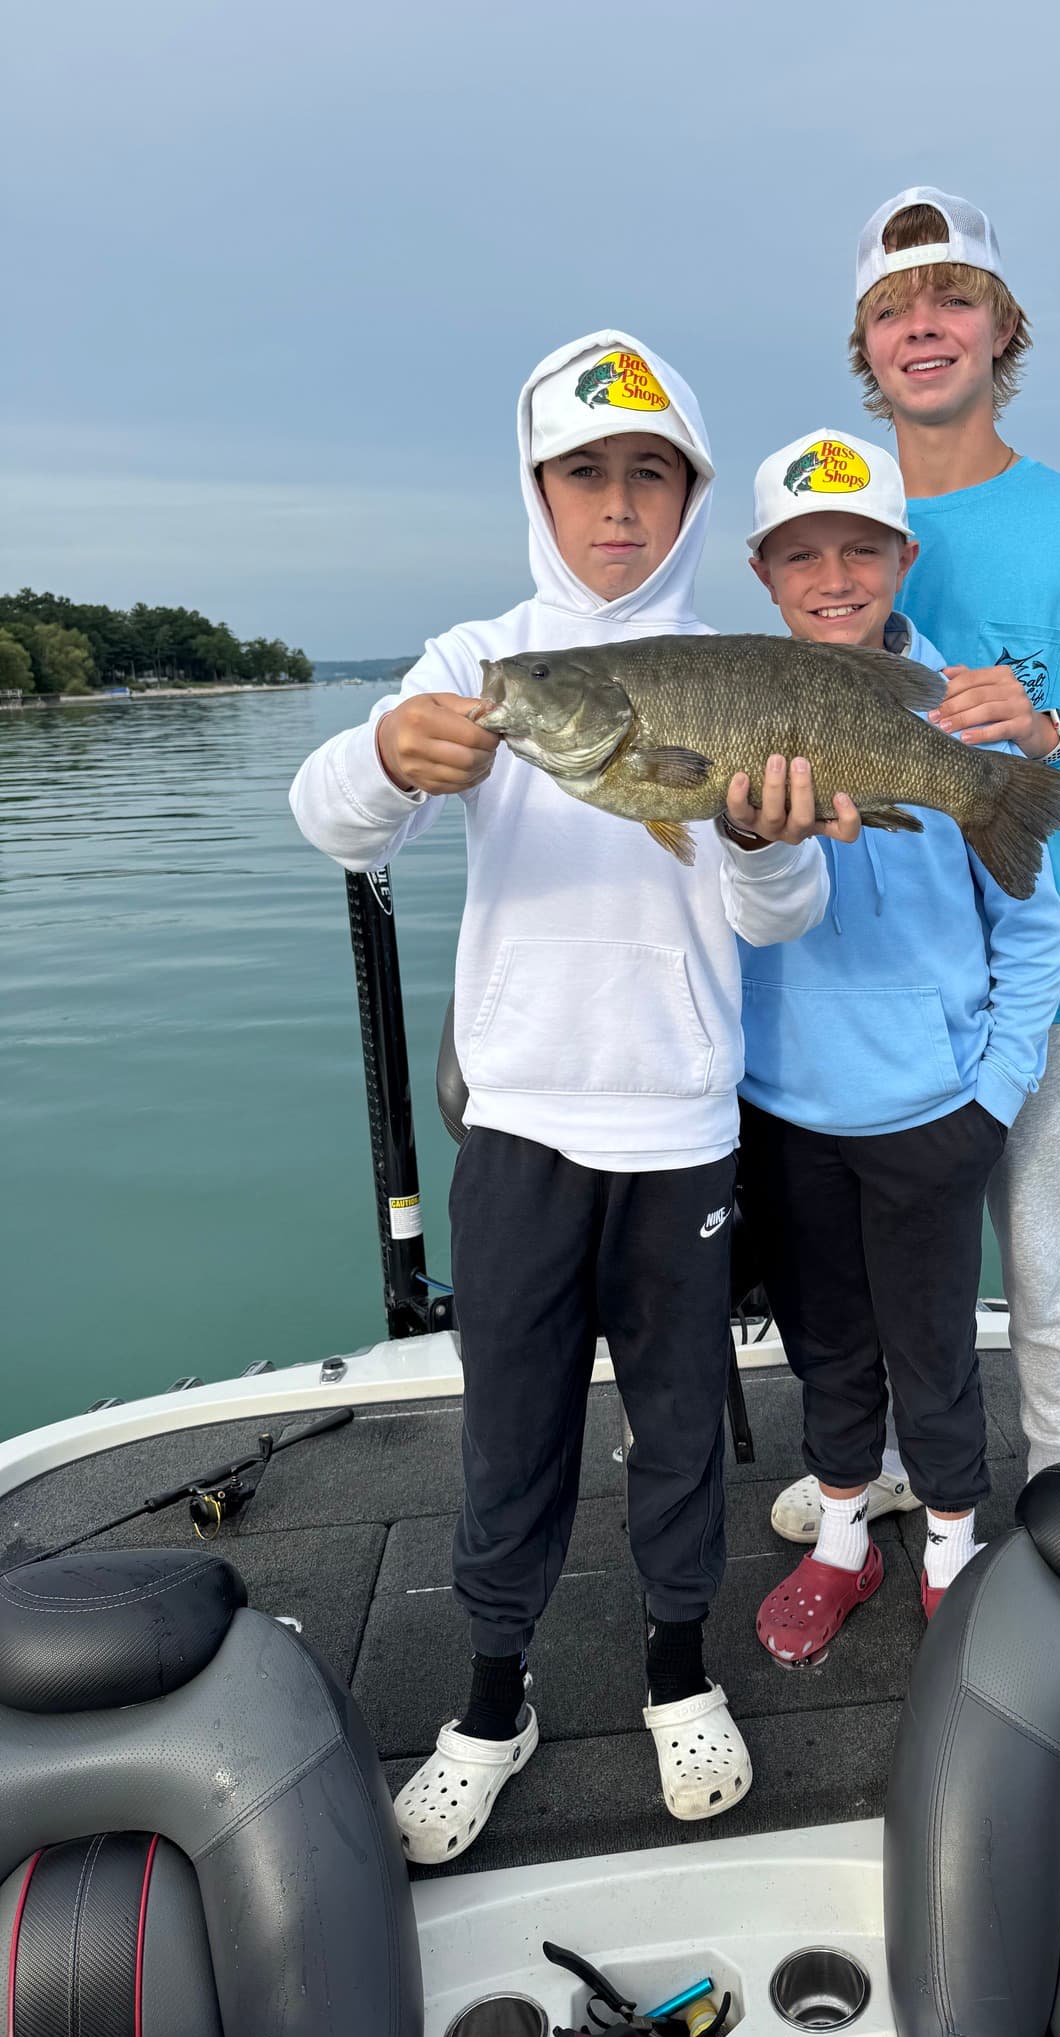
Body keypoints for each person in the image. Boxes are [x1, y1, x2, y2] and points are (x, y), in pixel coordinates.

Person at [290, 331, 859, 1859]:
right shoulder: (482, 660)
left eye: (651, 475)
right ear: (536, 487)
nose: (619, 506)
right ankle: (492, 1699)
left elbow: (784, 917)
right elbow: (336, 824)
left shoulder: (745, 668)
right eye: (586, 473)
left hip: (684, 1131)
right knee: (510, 1432)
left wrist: (764, 842)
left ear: (689, 497)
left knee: (685, 1430)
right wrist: (386, 757)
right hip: (523, 1134)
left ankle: (680, 1672)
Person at [769, 192, 1060, 1547]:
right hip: (861, 990)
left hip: (1040, 966)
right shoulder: (840, 528)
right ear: (864, 345)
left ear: (1004, 329)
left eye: (951, 302)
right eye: (894, 308)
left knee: (1046, 1254)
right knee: (881, 1272)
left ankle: (1058, 1485)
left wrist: (1050, 728)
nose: (923, 328)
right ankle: (881, 1464)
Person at [737, 428, 1060, 1655]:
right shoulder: (732, 703)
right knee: (824, 1343)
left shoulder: (963, 712)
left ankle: (949, 1548)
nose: (835, 574)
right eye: (803, 552)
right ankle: (839, 1543)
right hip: (784, 1109)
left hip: (937, 1109)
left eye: (862, 548)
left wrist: (992, 1095)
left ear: (904, 557)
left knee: (935, 1347)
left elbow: (1035, 940)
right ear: (764, 572)